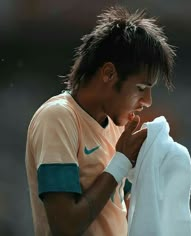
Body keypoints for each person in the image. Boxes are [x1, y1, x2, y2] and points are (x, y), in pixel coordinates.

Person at [25, 6, 175, 236]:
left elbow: (125, 209)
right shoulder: (57, 118)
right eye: (141, 88)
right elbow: (65, 227)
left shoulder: (117, 127)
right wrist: (122, 160)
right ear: (108, 73)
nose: (147, 101)